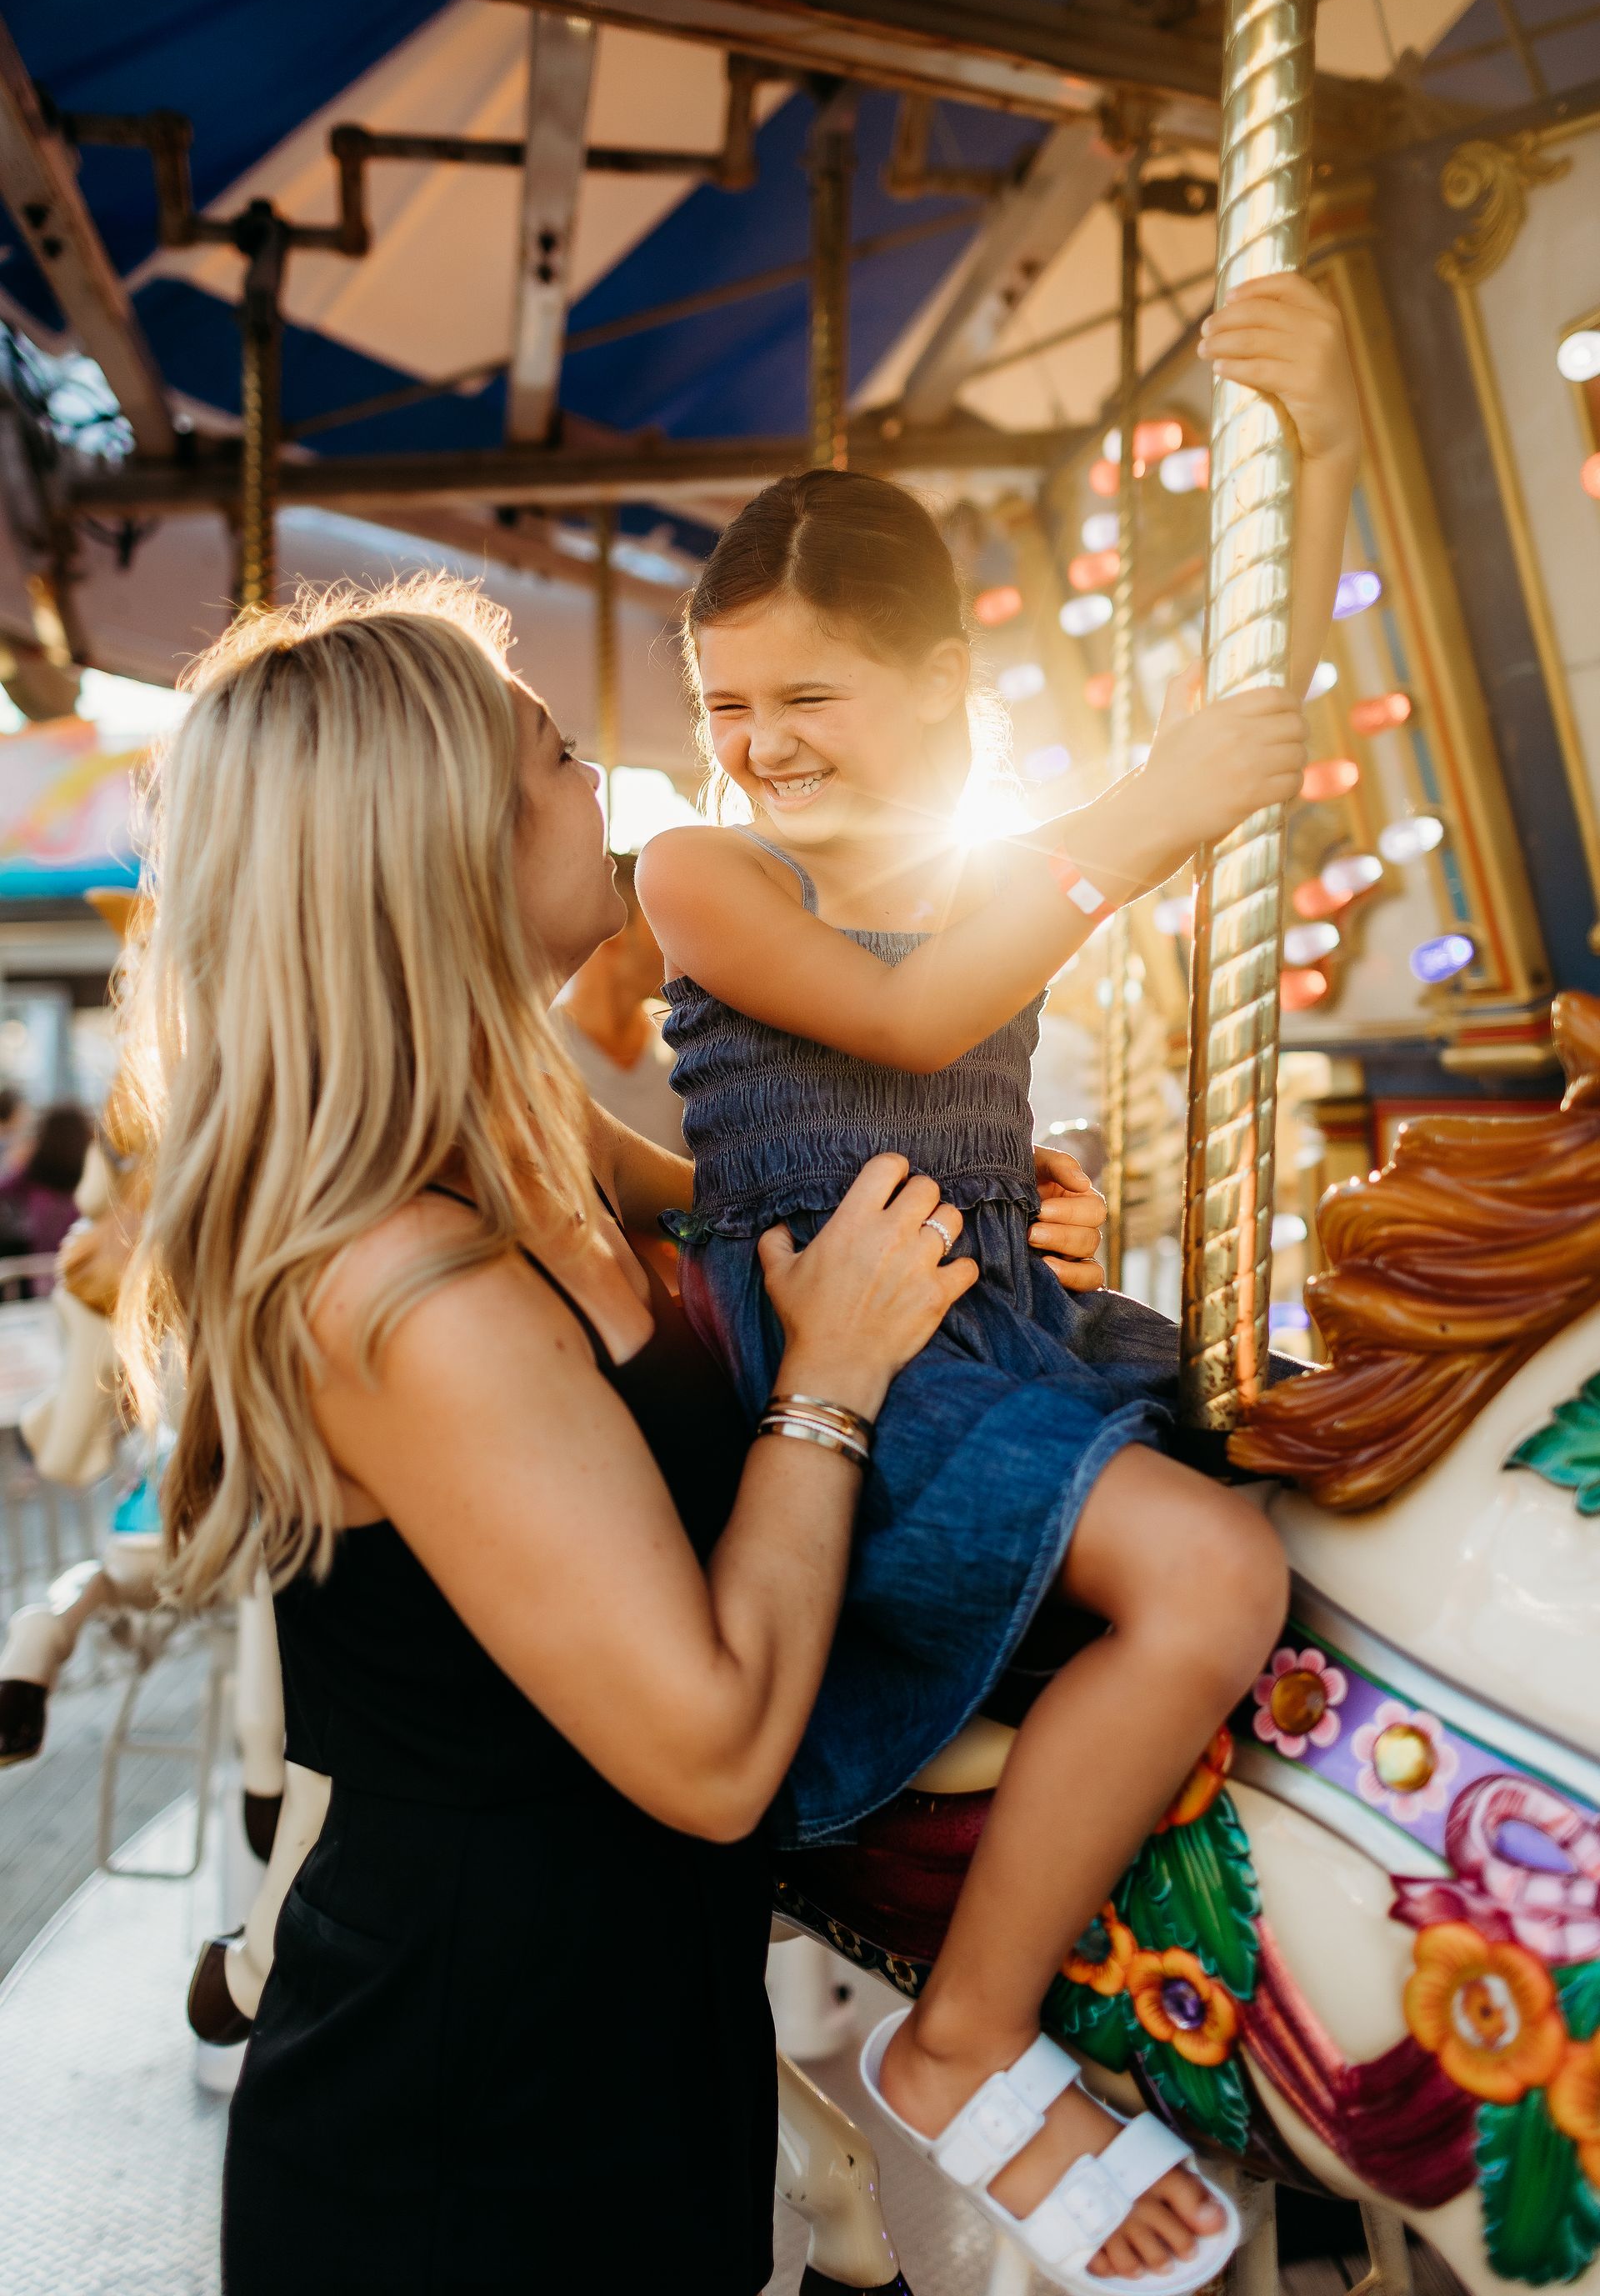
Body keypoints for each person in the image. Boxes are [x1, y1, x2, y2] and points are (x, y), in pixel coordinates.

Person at [111, 578, 1105, 2296]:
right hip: (475, 2111)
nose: (611, 789)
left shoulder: (526, 1145)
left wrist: (972, 1220)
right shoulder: (412, 1288)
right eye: (561, 755)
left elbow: (758, 1218)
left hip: (634, 2025)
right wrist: (837, 1375)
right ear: (447, 846)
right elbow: (710, 1750)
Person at [638, 274, 1360, 2288]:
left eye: (806, 698)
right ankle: (964, 2031)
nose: (755, 744)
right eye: (727, 707)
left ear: (944, 680)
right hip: (853, 1356)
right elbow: (924, 1000)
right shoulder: (701, 872)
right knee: (1210, 1574)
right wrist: (1134, 819)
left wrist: (1323, 455)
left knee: (1306, 1486)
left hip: (1000, 1320)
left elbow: (1239, 739)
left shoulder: (994, 851)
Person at [557, 850, 687, 1153]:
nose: (682, 940)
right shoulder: (533, 1053)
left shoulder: (685, 1042)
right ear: (613, 931)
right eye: (662, 920)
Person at [0, 1101, 92, 1293]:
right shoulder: (90, 1181)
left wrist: (14, 1161)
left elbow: (4, 1187)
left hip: (38, 1276)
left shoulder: (33, 1175)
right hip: (82, 1278)